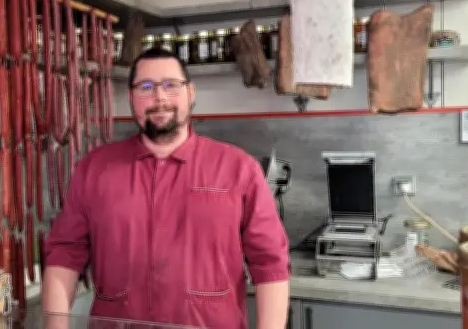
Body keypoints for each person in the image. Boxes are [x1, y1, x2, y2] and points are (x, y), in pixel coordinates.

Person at [42, 48, 290, 329]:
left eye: (171, 85)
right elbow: (64, 255)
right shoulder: (94, 169)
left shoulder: (239, 169)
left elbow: (271, 263)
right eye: (146, 87)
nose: (159, 98)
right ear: (132, 98)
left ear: (190, 93)